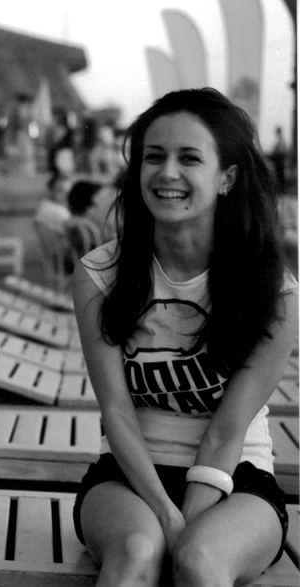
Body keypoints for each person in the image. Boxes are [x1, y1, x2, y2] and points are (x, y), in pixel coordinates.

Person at [71, 87, 298, 587]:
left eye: (189, 158)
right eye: (154, 157)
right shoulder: (99, 276)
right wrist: (166, 518)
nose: (167, 172)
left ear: (226, 178)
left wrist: (186, 529)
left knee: (199, 561)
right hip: (127, 476)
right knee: (136, 552)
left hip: (236, 477)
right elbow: (117, 415)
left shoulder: (274, 293)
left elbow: (226, 432)